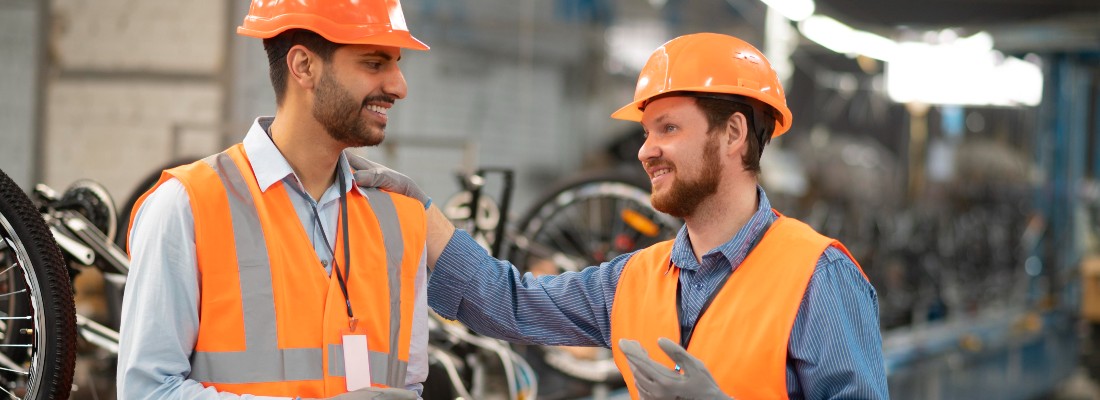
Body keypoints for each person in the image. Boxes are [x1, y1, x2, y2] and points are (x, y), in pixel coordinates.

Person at [354, 33, 889, 399]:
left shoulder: (815, 277)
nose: (645, 150)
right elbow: (508, 301)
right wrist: (421, 215)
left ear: (732, 134)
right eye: (646, 131)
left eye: (669, 129)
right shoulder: (633, 281)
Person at [118, 1, 431, 399]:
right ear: (303, 66)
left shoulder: (402, 217)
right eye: (374, 63)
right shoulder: (186, 205)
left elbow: (409, 385)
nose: (398, 86)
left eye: (397, 63)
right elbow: (147, 391)